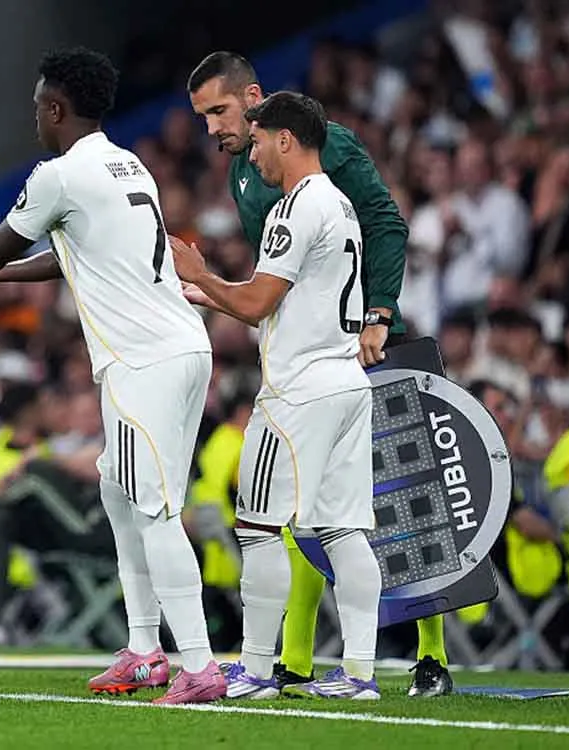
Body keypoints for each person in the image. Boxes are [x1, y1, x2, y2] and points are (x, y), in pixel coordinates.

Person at [0, 47, 225, 704]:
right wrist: (3, 274)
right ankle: (145, 650)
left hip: (141, 360)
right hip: (180, 345)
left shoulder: (57, 175)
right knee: (123, 497)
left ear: (56, 108)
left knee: (154, 509)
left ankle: (200, 666)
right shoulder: (130, 165)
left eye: (38, 105)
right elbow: (75, 254)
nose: (34, 117)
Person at [185, 50, 450, 696]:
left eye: (219, 110)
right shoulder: (249, 178)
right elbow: (277, 283)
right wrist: (227, 297)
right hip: (327, 356)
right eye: (203, 116)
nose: (213, 128)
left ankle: (429, 655)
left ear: (256, 104)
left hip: (353, 346)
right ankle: (318, 663)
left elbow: (385, 222)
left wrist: (379, 313)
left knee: (396, 505)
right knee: (332, 521)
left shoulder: (322, 156)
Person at [173, 90, 382, 700]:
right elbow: (285, 305)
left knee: (258, 527)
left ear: (285, 139)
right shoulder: (339, 205)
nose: (253, 151)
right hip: (346, 382)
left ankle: (258, 669)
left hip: (298, 393)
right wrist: (211, 295)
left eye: (259, 139)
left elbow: (260, 301)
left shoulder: (294, 208)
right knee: (344, 530)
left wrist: (200, 274)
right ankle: (361, 675)